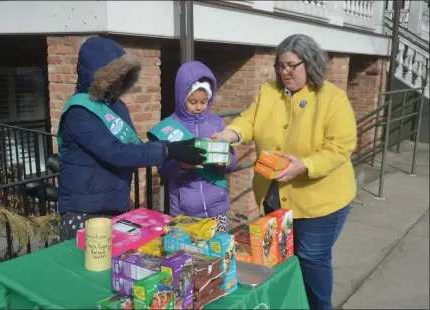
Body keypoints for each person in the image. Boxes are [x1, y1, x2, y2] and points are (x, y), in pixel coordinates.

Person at [212, 34, 357, 309]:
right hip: (275, 197)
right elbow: (249, 121)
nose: (284, 72)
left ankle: (318, 305)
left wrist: (304, 165)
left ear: (310, 63)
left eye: (292, 65)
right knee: (281, 259)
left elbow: (340, 147)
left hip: (321, 202)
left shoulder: (332, 99)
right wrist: (228, 135)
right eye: (280, 65)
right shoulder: (269, 92)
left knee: (311, 258)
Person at [57, 37, 206, 241]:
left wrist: (176, 156)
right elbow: (116, 152)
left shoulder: (118, 107)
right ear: (97, 76)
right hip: (85, 211)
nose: (119, 81)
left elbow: (134, 148)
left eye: (123, 75)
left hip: (115, 205)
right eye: (114, 75)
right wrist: (169, 150)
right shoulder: (79, 112)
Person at [147, 61, 237, 233]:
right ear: (182, 97)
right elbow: (163, 171)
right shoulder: (169, 127)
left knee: (218, 254)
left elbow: (232, 157)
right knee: (188, 256)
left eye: (204, 101)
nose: (199, 107)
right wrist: (181, 165)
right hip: (184, 210)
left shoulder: (216, 122)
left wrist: (225, 162)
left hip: (217, 207)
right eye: (193, 101)